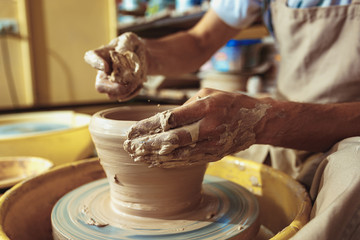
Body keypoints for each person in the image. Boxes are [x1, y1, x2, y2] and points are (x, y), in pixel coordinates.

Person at [85, 0, 360, 239]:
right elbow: (200, 40)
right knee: (196, 139)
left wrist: (263, 121)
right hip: (282, 117)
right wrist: (142, 56)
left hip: (347, 131)